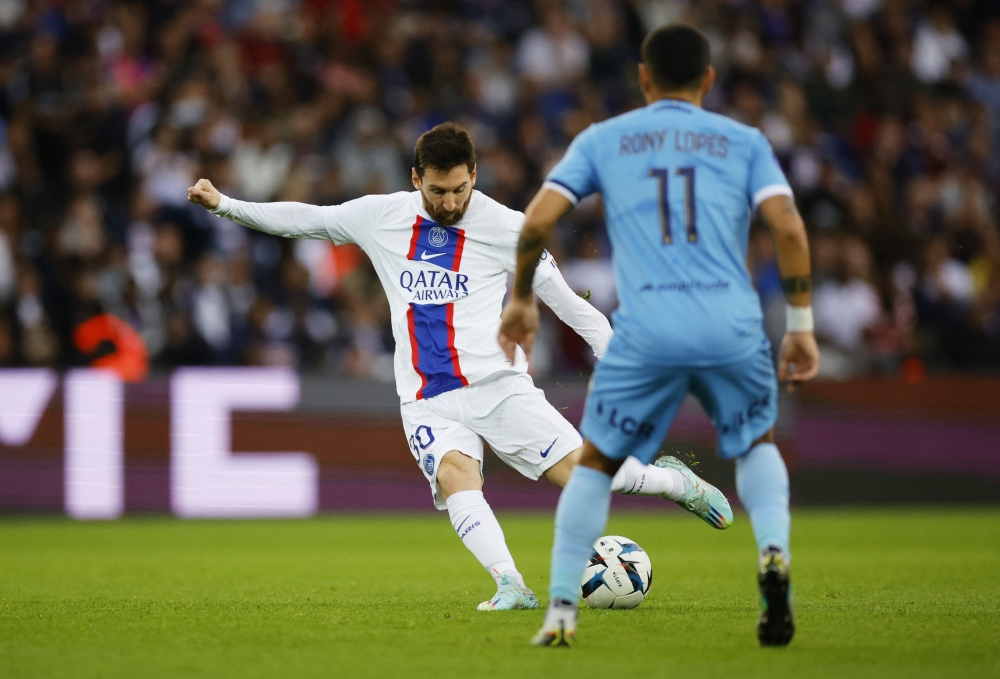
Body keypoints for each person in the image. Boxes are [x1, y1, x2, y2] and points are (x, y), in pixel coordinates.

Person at [188, 123, 733, 612]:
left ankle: (672, 481)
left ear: (474, 175)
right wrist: (225, 205)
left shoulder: (510, 228)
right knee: (455, 476)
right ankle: (511, 584)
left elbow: (569, 303)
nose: (449, 203)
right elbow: (307, 219)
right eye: (437, 191)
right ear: (416, 179)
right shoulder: (382, 217)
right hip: (426, 396)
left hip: (498, 385)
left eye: (459, 189)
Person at [499, 25, 819, 647]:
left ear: (643, 78)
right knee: (756, 446)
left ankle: (561, 610)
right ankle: (773, 554)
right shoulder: (746, 142)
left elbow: (536, 220)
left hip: (647, 330)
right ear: (709, 79)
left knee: (594, 466)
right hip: (731, 324)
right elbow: (788, 229)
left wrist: (520, 302)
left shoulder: (604, 139)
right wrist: (801, 327)